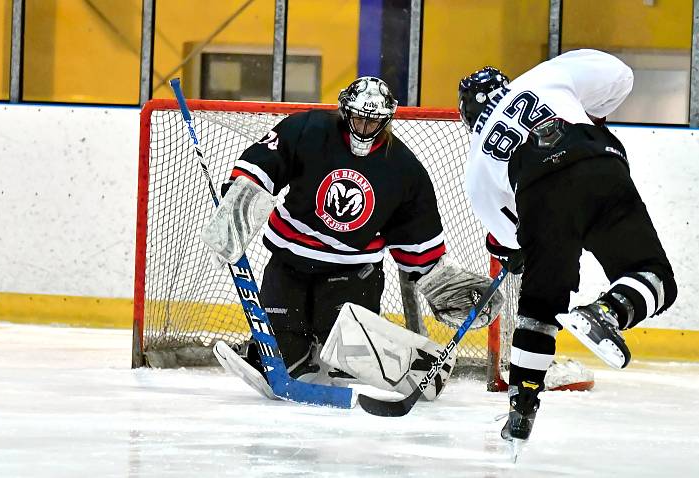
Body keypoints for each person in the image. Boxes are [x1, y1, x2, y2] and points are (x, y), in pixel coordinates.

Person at [201, 76, 503, 399]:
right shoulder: (309, 130)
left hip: (351, 274)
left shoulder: (404, 170)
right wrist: (242, 192)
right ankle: (296, 359)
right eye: (359, 117)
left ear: (386, 120)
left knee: (341, 342)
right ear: (345, 110)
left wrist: (443, 284)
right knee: (282, 349)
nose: (365, 126)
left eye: (373, 120)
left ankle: (328, 357)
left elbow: (417, 240)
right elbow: (266, 159)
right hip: (290, 262)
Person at [458, 50, 677, 443]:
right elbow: (620, 75)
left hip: (539, 198)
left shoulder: (476, 165)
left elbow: (510, 238)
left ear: (468, 118)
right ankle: (609, 311)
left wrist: (520, 248)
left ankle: (522, 406)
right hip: (598, 164)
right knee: (653, 275)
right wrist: (594, 116)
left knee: (539, 310)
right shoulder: (540, 77)